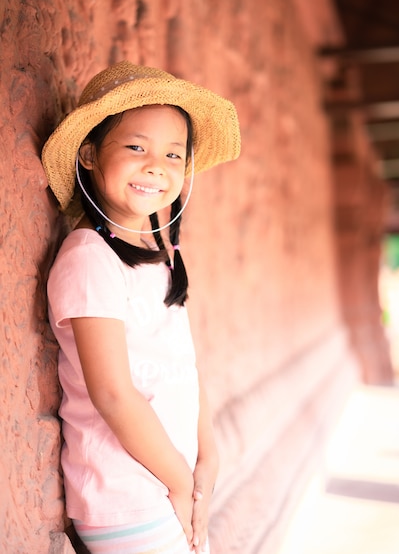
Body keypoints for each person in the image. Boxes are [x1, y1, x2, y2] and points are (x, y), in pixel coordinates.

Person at [41, 61, 241, 554]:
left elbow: (185, 369)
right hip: (126, 495)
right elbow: (112, 393)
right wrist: (179, 482)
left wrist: (207, 462)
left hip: (174, 485)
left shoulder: (167, 257)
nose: (157, 165)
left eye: (174, 154)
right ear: (89, 155)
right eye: (136, 147)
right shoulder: (90, 258)